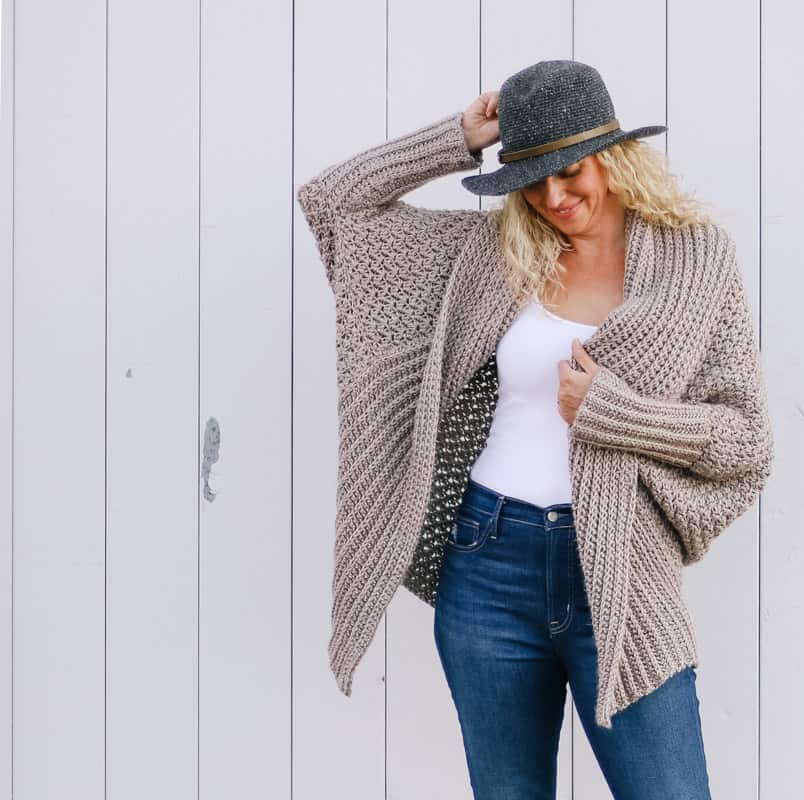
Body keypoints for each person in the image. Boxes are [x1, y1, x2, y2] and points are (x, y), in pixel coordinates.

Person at [296, 59, 773, 800]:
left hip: (621, 572)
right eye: (531, 178)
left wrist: (615, 413)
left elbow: (745, 440)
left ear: (613, 156)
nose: (554, 196)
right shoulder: (494, 253)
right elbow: (334, 204)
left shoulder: (695, 259)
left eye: (571, 169)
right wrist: (455, 138)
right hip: (487, 564)